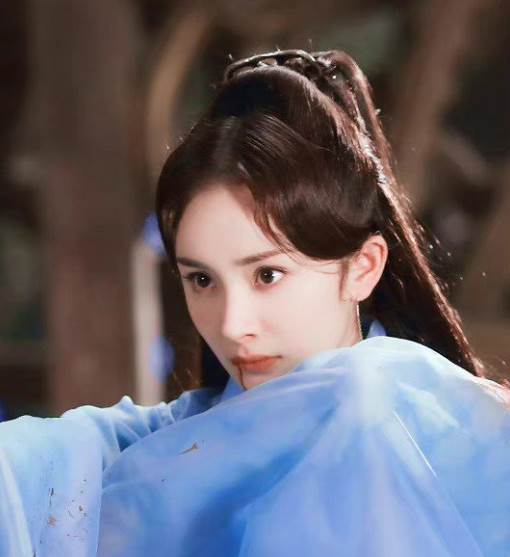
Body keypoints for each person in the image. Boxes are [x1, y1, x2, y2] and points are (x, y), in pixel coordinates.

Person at [1, 49, 509, 557]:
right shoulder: (166, 441)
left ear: (363, 267)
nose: (231, 324)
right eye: (202, 279)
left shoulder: (367, 401)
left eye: (267, 275)